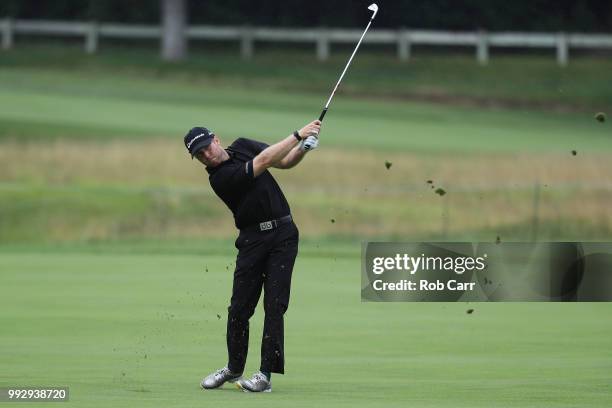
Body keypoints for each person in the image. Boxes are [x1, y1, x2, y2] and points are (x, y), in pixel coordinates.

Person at [184, 120, 321, 393]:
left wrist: (303, 149)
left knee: (274, 305)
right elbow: (265, 160)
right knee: (239, 309)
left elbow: (282, 162)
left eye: (206, 148)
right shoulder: (219, 178)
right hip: (251, 241)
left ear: (216, 139)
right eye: (199, 155)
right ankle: (234, 368)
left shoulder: (244, 145)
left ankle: (265, 375)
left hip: (283, 235)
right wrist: (297, 134)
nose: (206, 155)